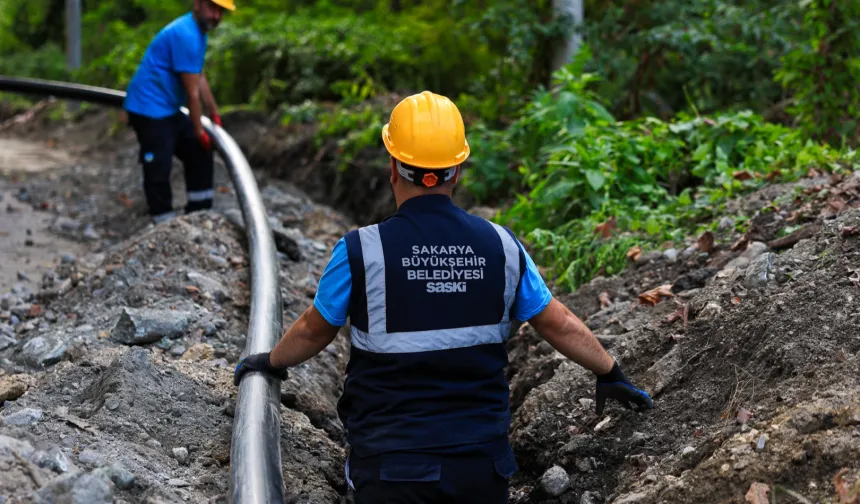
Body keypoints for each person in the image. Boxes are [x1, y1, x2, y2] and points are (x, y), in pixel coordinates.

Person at [233, 91, 654, 503]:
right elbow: (556, 321)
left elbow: (313, 329)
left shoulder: (361, 249)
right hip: (480, 468)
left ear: (393, 166)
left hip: (390, 466)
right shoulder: (502, 246)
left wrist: (268, 362)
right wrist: (609, 370)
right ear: (457, 171)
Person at [122, 0, 235, 224]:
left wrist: (214, 113)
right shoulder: (185, 34)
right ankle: (162, 222)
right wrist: (199, 129)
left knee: (199, 151)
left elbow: (199, 75)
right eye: (213, 8)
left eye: (220, 11)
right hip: (149, 108)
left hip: (168, 108)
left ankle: (199, 213)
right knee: (159, 164)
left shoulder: (197, 32)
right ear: (198, 4)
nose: (216, 16)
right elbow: (191, 92)